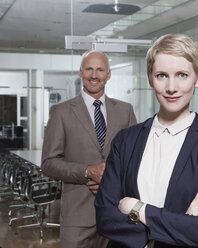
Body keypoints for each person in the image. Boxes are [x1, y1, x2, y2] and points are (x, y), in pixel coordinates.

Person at [95, 34, 198, 248]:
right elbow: (105, 217)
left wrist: (138, 208)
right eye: (161, 75)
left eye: (182, 75)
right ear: (150, 78)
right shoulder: (125, 140)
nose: (171, 87)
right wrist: (182, 221)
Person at [41, 50, 137, 248]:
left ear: (108, 74)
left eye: (100, 69)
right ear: (80, 72)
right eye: (89, 69)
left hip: (116, 212)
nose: (94, 75)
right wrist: (87, 172)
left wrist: (111, 181)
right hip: (77, 216)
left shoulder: (125, 110)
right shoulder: (61, 112)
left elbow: (134, 160)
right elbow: (48, 164)